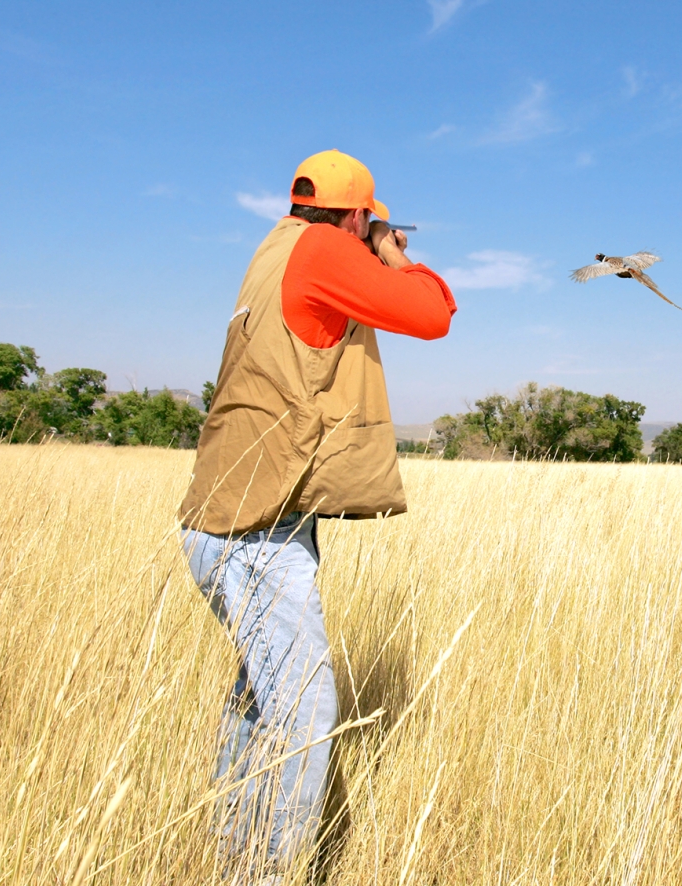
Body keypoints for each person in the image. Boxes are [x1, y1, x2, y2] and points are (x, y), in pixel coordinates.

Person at [178, 149, 456, 872]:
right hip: (256, 531)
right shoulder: (326, 252)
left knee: (258, 703)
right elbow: (434, 314)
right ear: (359, 216)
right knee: (303, 713)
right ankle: (265, 873)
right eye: (374, 223)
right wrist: (394, 258)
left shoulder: (275, 247)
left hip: (225, 516)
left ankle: (233, 862)